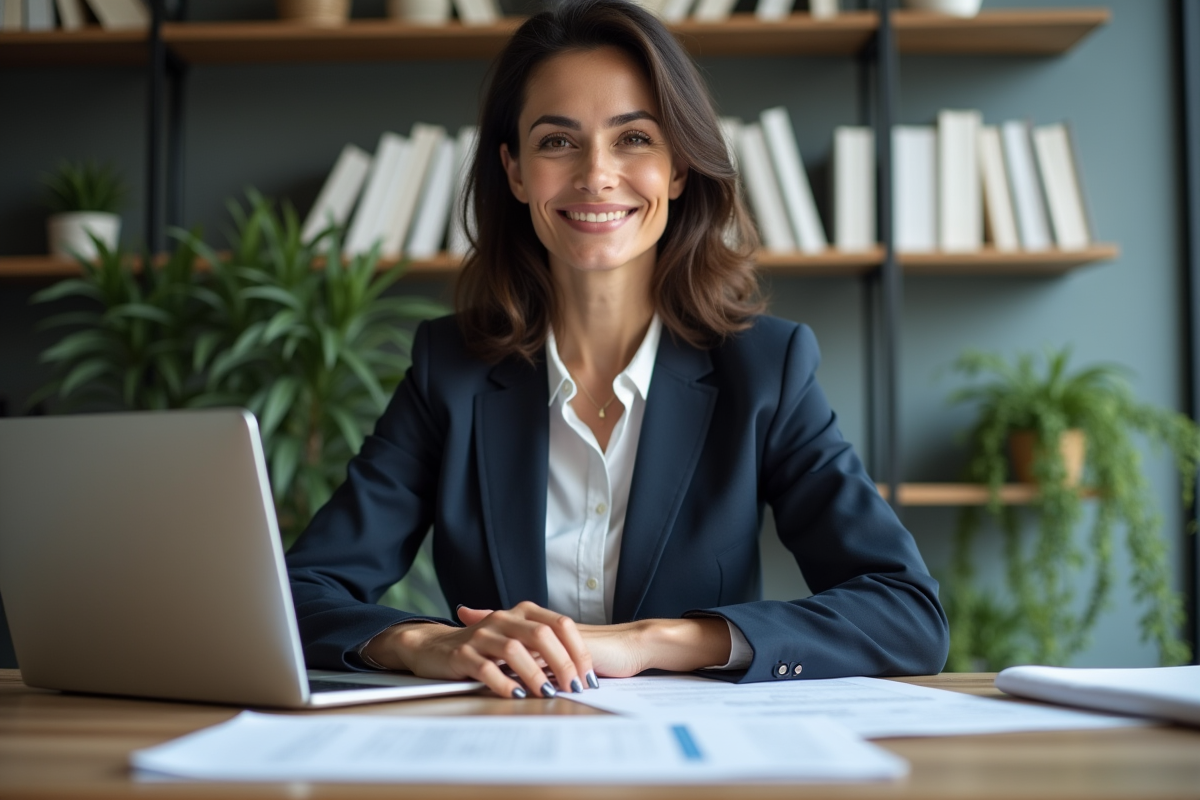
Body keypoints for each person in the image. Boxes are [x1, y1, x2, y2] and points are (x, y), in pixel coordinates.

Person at [286, 0, 949, 701]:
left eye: (634, 138)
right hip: (503, 745)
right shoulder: (449, 369)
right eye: (556, 142)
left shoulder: (766, 370)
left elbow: (906, 613)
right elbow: (301, 593)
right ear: (514, 172)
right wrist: (425, 642)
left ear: (680, 168)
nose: (596, 175)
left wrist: (651, 641)